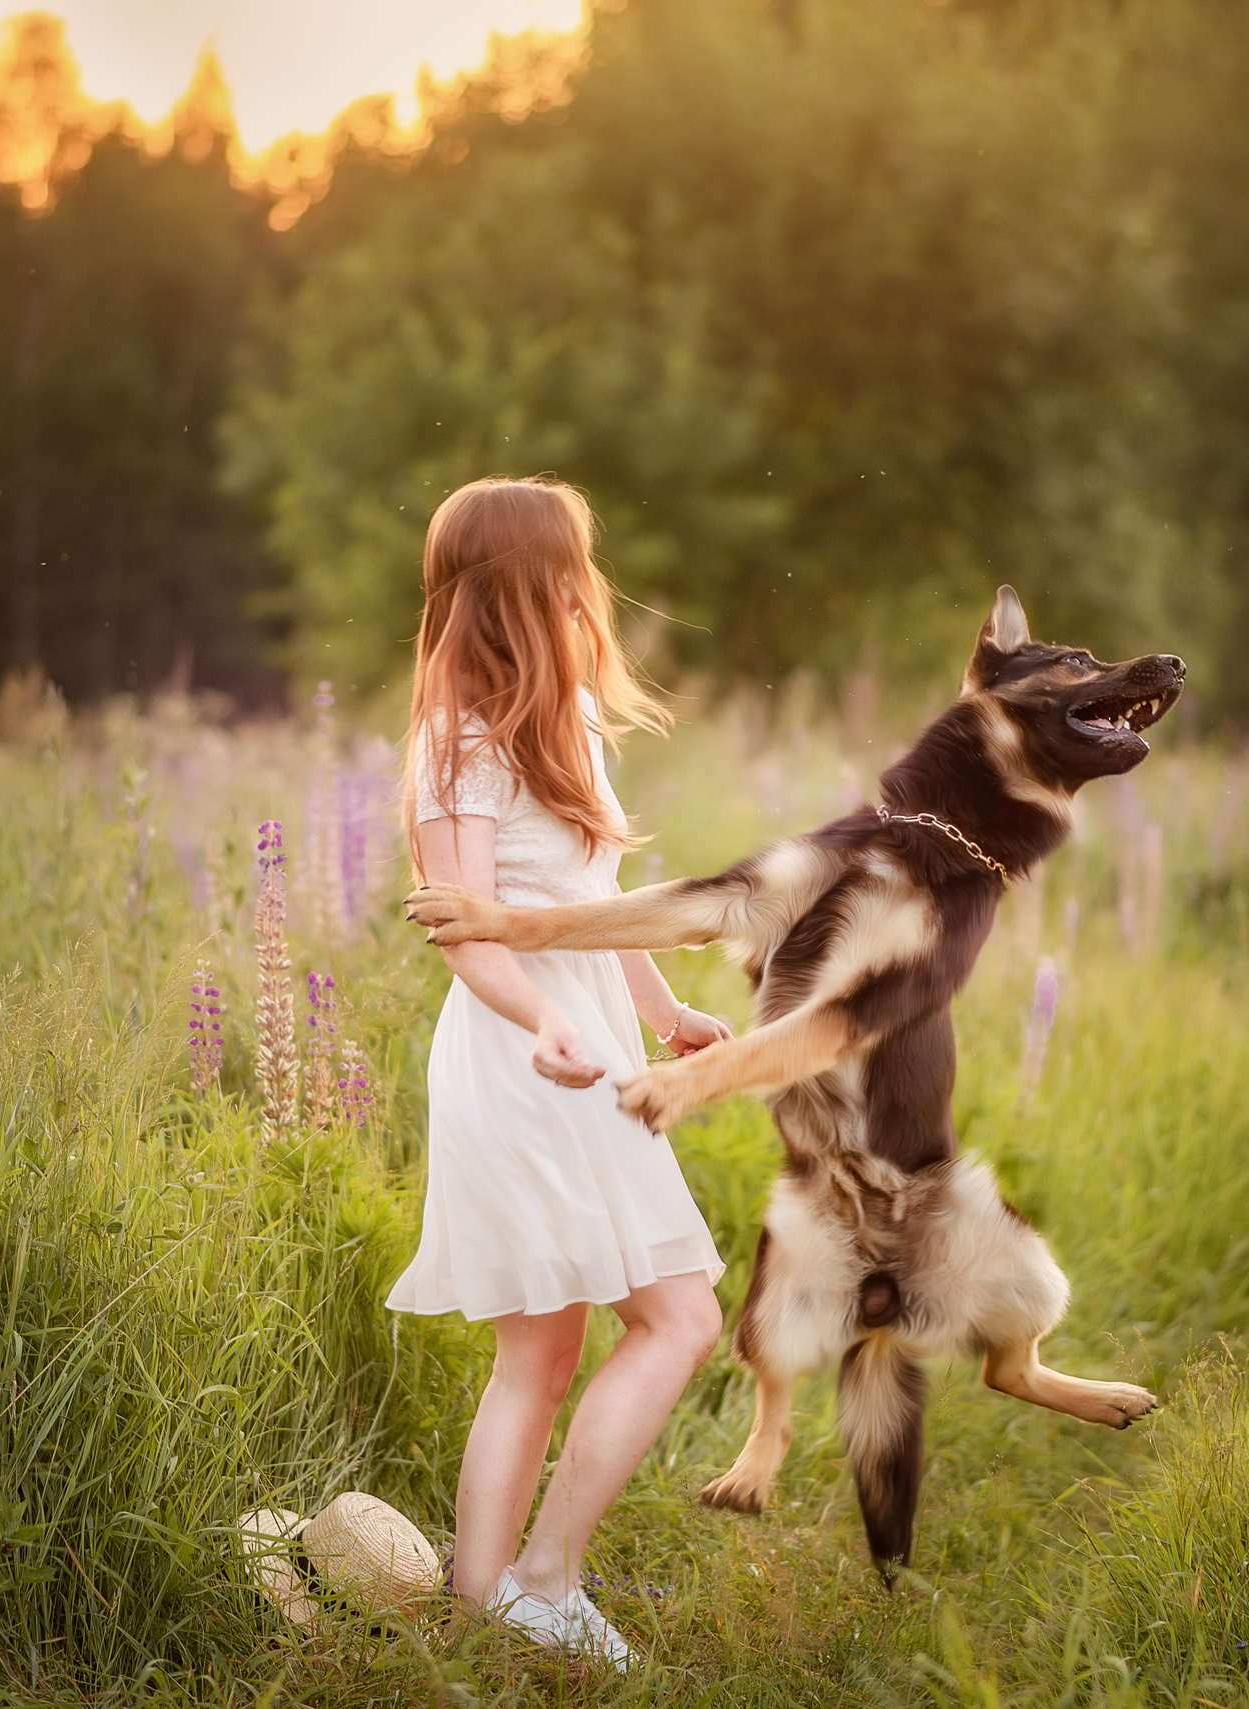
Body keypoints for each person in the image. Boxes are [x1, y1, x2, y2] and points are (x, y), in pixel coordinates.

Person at [386, 476, 729, 1671]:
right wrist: (542, 1020)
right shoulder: (454, 743)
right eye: (572, 563)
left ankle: (483, 1609)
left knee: (549, 1349)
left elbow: (595, 905)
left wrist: (667, 1006)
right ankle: (539, 1577)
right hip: (519, 1054)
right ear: (526, 584)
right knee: (680, 1314)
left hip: (585, 1039)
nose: (589, 583)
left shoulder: (568, 717)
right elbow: (466, 930)